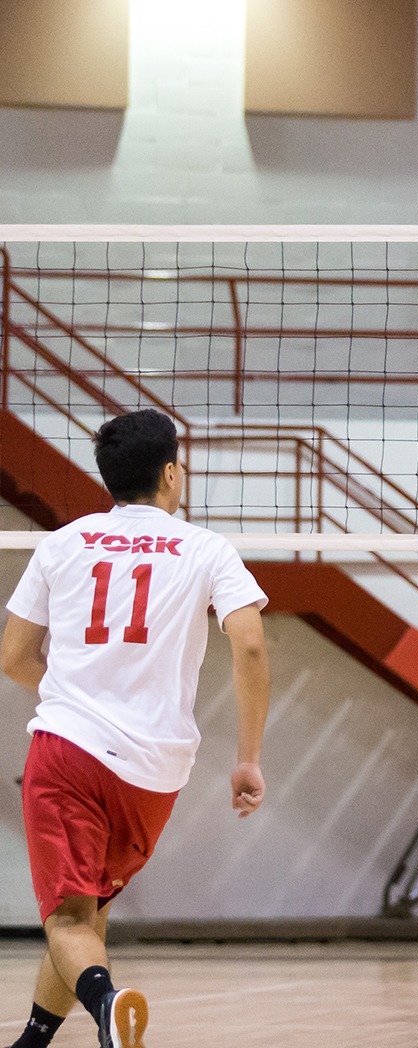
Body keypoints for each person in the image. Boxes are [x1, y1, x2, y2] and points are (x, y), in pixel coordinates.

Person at [0, 409, 270, 1048]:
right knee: (88, 916)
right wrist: (249, 757)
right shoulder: (207, 548)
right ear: (172, 473)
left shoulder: (63, 543)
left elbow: (12, 657)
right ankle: (31, 1044)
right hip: (153, 772)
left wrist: (75, 692)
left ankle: (107, 1006)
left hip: (68, 751)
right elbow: (252, 646)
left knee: (68, 920)